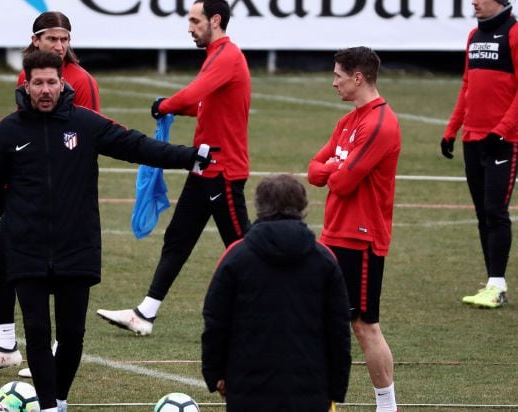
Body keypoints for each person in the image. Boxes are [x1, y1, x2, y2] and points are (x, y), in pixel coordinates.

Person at [0, 51, 211, 412]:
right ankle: (50, 406)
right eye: (37, 82)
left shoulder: (84, 123)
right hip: (27, 249)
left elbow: (136, 145)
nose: (45, 90)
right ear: (26, 84)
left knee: (71, 336)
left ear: (62, 83)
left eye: (51, 82)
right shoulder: (9, 130)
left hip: (76, 247)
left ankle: (60, 399)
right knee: (37, 334)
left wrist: (189, 156)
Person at [96, 0, 251, 336]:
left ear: (215, 19)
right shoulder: (216, 55)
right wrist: (174, 109)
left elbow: (194, 94)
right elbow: (203, 103)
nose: (189, 27)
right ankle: (145, 313)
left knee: (244, 247)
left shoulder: (227, 55)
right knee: (178, 239)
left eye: (195, 21)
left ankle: (281, 314)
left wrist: (163, 105)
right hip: (203, 166)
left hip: (222, 169)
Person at [0, 10, 101, 376]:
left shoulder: (81, 81)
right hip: (24, 195)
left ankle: (53, 348)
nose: (59, 46)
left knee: (51, 272)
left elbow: (83, 136)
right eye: (52, 39)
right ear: (35, 40)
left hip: (59, 202)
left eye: (65, 39)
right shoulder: (29, 75)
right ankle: (7, 344)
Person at [202, 174, 351, 411]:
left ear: (259, 207)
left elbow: (216, 322)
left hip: (247, 389)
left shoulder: (236, 256)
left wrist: (215, 374)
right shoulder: (324, 260)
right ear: (302, 206)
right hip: (310, 390)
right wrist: (336, 386)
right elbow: (339, 330)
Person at [307, 46, 401, 412]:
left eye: (338, 76)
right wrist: (334, 169)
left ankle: (387, 406)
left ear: (358, 77)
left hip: (361, 240)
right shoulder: (347, 122)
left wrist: (332, 169)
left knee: (364, 327)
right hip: (333, 235)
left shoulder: (380, 124)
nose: (334, 82)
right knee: (319, 318)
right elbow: (314, 171)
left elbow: (342, 183)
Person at [441, 0, 517, 308]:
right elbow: (466, 86)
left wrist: (502, 130)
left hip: (503, 141)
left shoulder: (513, 35)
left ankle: (497, 285)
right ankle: (492, 282)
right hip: (472, 139)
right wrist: (452, 128)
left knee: (495, 210)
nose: (473, 1)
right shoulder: (473, 36)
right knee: (482, 214)